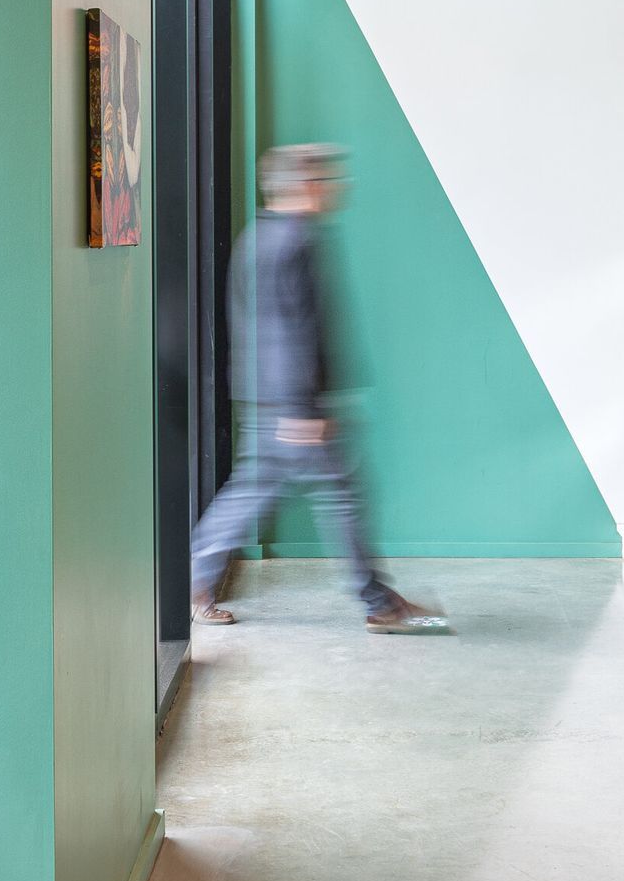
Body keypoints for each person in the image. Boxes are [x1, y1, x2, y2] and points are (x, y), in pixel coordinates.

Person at [190, 142, 447, 634]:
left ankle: (196, 576)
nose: (336, 187)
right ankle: (379, 603)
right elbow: (289, 329)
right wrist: (303, 409)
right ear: (305, 186)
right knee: (341, 495)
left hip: (267, 396)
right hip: (291, 403)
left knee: (254, 490)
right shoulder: (295, 241)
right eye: (327, 179)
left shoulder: (260, 235)